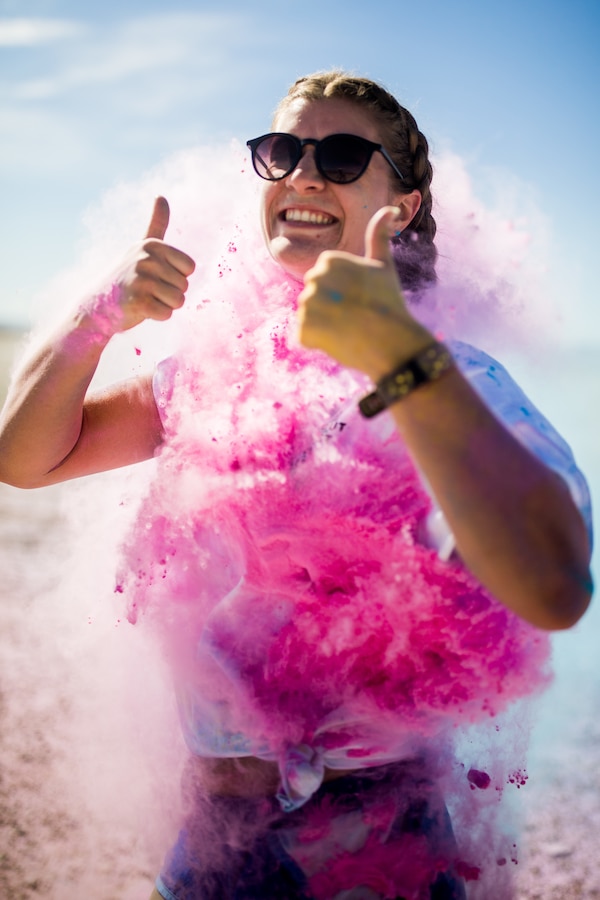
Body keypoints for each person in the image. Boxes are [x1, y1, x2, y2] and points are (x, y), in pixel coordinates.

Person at [0, 71, 593, 899]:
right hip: (216, 846)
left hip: (380, 853)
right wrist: (98, 315)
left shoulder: (446, 377)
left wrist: (396, 355)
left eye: (345, 156)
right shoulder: (217, 369)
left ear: (407, 205)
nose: (304, 175)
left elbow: (556, 584)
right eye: (282, 152)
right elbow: (28, 458)